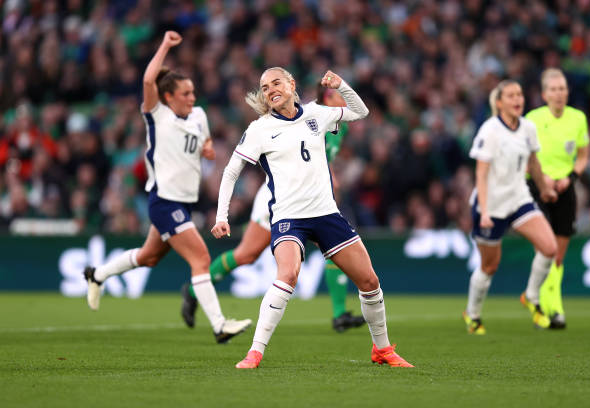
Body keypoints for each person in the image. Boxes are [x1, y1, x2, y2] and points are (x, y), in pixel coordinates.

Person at [211, 67, 413, 368]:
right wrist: (221, 215)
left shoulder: (318, 113)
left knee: (369, 281)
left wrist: (341, 85)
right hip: (288, 217)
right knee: (288, 274)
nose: (270, 90)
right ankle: (254, 352)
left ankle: (382, 350)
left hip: (326, 214)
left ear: (292, 84)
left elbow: (361, 111)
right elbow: (230, 172)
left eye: (276, 83)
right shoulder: (259, 129)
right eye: (265, 87)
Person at [83, 31, 251, 344]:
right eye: (185, 93)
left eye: (193, 92)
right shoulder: (157, 116)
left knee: (149, 257)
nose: (192, 97)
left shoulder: (199, 115)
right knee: (201, 259)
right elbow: (149, 82)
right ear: (169, 97)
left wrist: (209, 148)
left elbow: (205, 138)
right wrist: (165, 45)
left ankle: (98, 275)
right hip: (164, 202)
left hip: (184, 202)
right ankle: (219, 325)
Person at [179, 84, 365, 333]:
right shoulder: (306, 116)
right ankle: (194, 289)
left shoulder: (334, 126)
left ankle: (339, 313)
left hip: (310, 199)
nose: (344, 101)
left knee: (333, 248)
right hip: (280, 197)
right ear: (328, 97)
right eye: (340, 96)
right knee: (246, 254)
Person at [462, 79, 558, 335]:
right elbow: (481, 175)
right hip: (491, 205)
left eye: (520, 94)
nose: (518, 99)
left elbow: (534, 164)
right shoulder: (490, 130)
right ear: (500, 102)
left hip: (518, 199)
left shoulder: (528, 128)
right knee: (489, 266)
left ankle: (531, 296)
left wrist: (545, 188)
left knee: (549, 248)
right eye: (511, 95)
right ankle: (472, 315)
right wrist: (483, 211)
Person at [525, 68, 589, 329]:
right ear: (544, 94)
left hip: (565, 189)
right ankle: (552, 308)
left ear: (567, 92)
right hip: (538, 187)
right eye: (553, 89)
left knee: (558, 255)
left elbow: (583, 156)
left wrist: (570, 178)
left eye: (562, 88)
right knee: (545, 249)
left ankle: (544, 300)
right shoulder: (532, 119)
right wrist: (543, 179)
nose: (558, 93)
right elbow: (527, 158)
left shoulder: (577, 119)